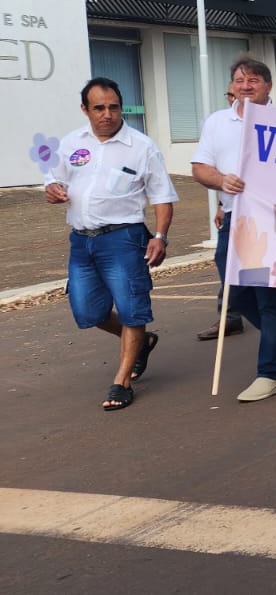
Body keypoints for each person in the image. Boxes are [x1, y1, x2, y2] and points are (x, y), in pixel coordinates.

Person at [46, 77, 177, 410]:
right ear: (85, 110)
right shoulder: (72, 142)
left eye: (114, 107)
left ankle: (122, 381)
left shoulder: (141, 146)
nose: (107, 114)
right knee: (87, 311)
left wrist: (160, 236)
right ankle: (141, 343)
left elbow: (162, 198)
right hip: (81, 241)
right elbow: (54, 178)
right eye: (99, 108)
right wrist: (52, 190)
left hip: (124, 238)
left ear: (121, 107)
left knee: (133, 308)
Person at [191, 55, 276, 402]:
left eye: (253, 80)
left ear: (268, 86)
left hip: (273, 223)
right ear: (231, 87)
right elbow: (200, 168)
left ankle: (270, 372)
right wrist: (222, 181)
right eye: (239, 80)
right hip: (233, 221)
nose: (245, 86)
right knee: (235, 295)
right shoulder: (216, 122)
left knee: (268, 298)